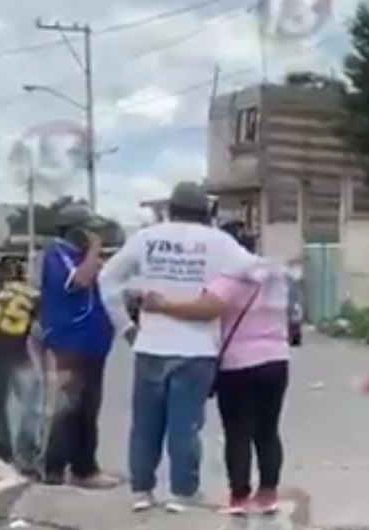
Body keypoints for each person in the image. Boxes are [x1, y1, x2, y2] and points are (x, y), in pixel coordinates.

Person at [99, 182, 261, 513]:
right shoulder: (219, 242)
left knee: (145, 424)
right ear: (206, 212)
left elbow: (107, 279)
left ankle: (143, 491)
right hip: (198, 349)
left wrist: (125, 326)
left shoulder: (146, 239)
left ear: (171, 208)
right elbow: (255, 273)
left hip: (150, 345)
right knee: (184, 425)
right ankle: (183, 492)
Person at [141, 222, 291, 515]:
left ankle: (239, 497)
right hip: (277, 360)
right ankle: (269, 494)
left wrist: (164, 306)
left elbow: (206, 309)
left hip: (238, 365)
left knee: (238, 431)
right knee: (268, 430)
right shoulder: (274, 276)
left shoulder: (230, 278)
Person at [39, 203, 117, 488]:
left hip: (93, 343)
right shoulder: (57, 255)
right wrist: (95, 249)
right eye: (89, 230)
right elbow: (79, 281)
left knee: (87, 407)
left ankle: (80, 467)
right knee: (71, 407)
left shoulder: (79, 256)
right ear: (74, 230)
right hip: (71, 342)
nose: (94, 234)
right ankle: (65, 468)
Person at [0, 259, 42, 476]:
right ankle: (26, 454)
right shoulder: (34, 295)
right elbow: (42, 330)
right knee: (30, 405)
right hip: (16, 352)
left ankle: (2, 453)